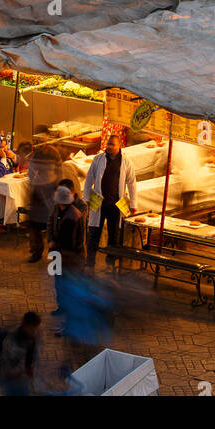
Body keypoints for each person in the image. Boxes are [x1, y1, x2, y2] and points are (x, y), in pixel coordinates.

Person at [83, 135, 137, 267]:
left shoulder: (126, 161)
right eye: (108, 144)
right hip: (98, 201)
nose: (109, 147)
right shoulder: (98, 159)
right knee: (94, 234)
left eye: (112, 144)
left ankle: (110, 263)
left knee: (114, 236)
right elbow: (89, 179)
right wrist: (86, 198)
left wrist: (133, 204)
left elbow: (132, 183)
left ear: (119, 146)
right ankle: (90, 263)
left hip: (116, 204)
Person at [48, 183, 85, 315]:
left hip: (68, 257)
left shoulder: (72, 216)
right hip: (61, 255)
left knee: (67, 283)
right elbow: (51, 224)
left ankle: (70, 308)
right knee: (59, 283)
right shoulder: (60, 211)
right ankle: (62, 307)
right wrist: (51, 239)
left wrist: (54, 245)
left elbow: (69, 241)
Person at [25, 143, 61, 263]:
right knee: (34, 225)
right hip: (39, 192)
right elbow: (30, 169)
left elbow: (59, 171)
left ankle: (53, 253)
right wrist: (34, 180)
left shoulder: (53, 153)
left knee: (53, 225)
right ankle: (36, 251)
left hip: (51, 190)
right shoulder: (40, 154)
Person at [0, 312, 41, 397]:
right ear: (25, 326)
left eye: (36, 328)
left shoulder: (33, 336)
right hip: (11, 380)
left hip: (22, 379)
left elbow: (33, 356)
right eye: (32, 329)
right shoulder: (13, 341)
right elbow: (8, 365)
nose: (34, 331)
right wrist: (24, 371)